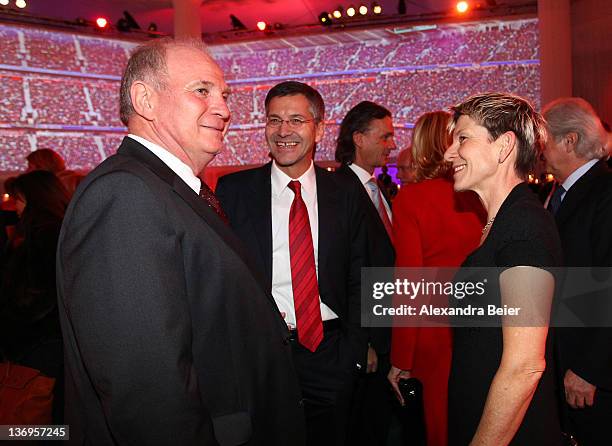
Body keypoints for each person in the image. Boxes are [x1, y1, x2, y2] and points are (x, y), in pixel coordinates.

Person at [56, 38, 305, 446]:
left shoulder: (169, 189)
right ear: (145, 100)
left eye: (224, 95)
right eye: (201, 91)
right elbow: (147, 390)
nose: (224, 109)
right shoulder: (125, 195)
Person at [216, 81, 368, 446]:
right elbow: (223, 278)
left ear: (318, 128)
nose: (283, 131)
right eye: (274, 120)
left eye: (296, 120)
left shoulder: (345, 193)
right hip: (262, 355)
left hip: (330, 353)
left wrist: (355, 351)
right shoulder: (232, 192)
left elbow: (361, 273)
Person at [443, 93, 565, 445]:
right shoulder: (502, 223)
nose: (450, 153)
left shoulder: (523, 226)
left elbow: (525, 366)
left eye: (463, 138)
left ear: (504, 146)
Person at [387, 111, 484, 446]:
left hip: (433, 333)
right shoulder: (479, 195)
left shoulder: (412, 199)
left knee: (440, 426)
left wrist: (400, 359)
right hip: (482, 322)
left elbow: (409, 285)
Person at [542, 97, 612, 446]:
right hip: (566, 360)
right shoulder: (562, 192)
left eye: (544, 139)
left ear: (569, 141)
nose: (539, 149)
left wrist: (589, 368)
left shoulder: (605, 192)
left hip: (591, 374)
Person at [334, 100, 396, 445]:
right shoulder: (339, 191)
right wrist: (366, 341)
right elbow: (348, 271)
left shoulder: (377, 188)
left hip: (386, 332)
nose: (391, 144)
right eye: (384, 136)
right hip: (365, 340)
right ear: (359, 138)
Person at [0, 170, 70, 423]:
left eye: (18, 200)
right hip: (48, 344)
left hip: (39, 348)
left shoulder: (45, 235)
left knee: (32, 418)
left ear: (34, 200)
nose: (14, 206)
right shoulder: (57, 230)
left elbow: (40, 292)